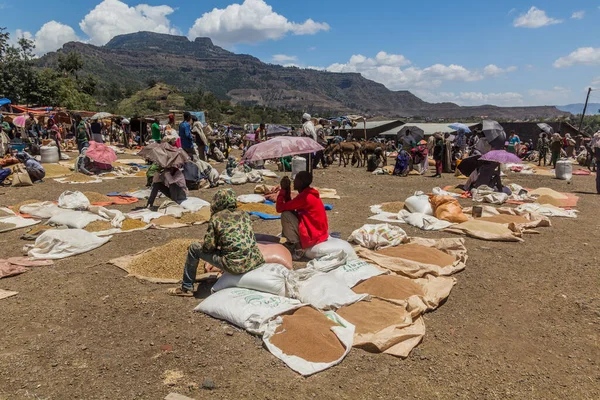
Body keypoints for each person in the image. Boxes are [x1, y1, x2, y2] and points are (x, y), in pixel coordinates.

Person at [168, 188, 265, 296]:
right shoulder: (244, 214)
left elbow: (208, 247)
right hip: (254, 261)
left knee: (194, 248)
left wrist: (205, 244)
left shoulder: (216, 218)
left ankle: (186, 287)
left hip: (235, 265)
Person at [276, 171, 329, 260]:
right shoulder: (308, 193)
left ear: (300, 182)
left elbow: (280, 208)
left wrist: (283, 190)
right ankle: (292, 243)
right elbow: (290, 205)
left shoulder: (305, 197)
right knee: (290, 213)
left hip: (314, 233)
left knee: (286, 215)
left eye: (296, 179)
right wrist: (287, 190)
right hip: (319, 231)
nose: (293, 181)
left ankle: (298, 248)